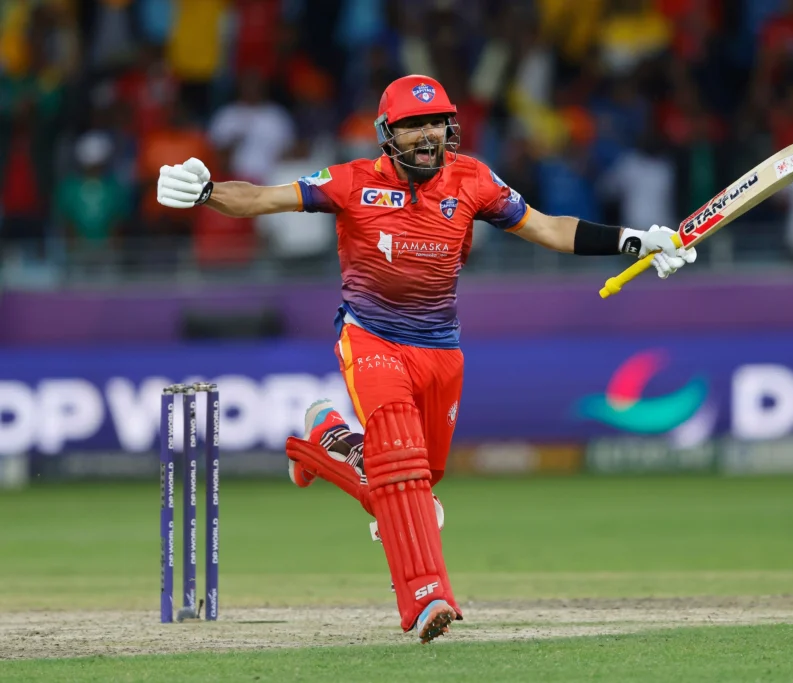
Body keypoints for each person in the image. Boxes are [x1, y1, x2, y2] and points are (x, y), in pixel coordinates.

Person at [155, 74, 696, 642]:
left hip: (440, 351)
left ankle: (325, 441)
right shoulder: (353, 182)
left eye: (435, 121)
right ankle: (425, 595)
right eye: (413, 124)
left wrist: (635, 239)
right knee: (403, 473)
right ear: (389, 134)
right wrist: (208, 191)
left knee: (415, 490)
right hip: (370, 339)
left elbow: (548, 228)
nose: (427, 134)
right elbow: (265, 198)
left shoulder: (473, 181)